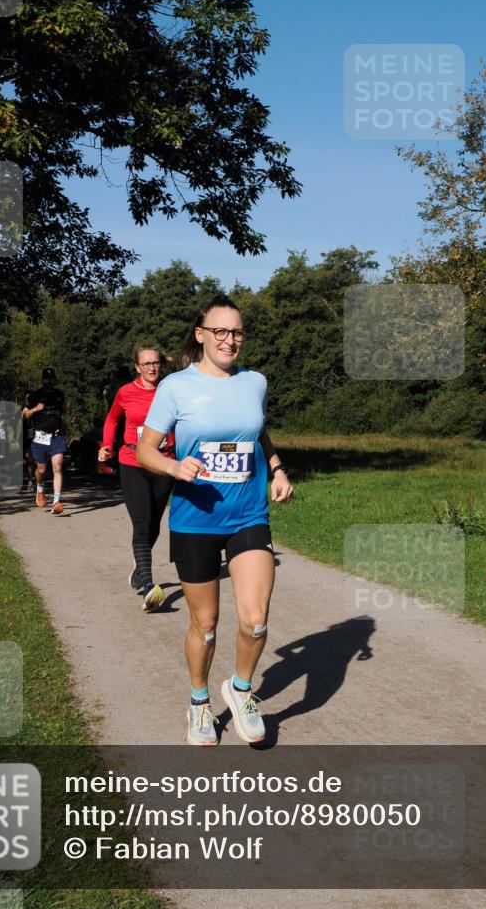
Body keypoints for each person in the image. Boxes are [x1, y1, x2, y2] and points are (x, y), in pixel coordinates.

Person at [137, 296, 294, 746]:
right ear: (201, 334)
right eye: (220, 331)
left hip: (248, 515)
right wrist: (173, 467)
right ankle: (199, 701)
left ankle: (241, 691)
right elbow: (145, 450)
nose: (230, 340)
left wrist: (278, 469)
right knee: (205, 626)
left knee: (255, 620)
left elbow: (257, 432)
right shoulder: (176, 387)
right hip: (196, 519)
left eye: (237, 332)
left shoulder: (255, 382)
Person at [99, 346, 175, 613]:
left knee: (154, 524)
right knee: (141, 523)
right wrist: (106, 445)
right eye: (146, 364)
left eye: (155, 363)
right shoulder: (125, 392)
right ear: (137, 367)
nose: (152, 368)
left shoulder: (171, 390)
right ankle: (149, 583)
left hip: (164, 463)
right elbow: (112, 420)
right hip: (133, 462)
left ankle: (139, 565)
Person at [23, 367, 68, 515]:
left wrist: (65, 408)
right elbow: (24, 415)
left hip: (57, 436)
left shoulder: (59, 394)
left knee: (57, 467)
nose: (49, 381)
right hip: (40, 436)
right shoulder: (35, 395)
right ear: (42, 379)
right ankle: (40, 488)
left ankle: (56, 502)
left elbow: (64, 409)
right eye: (47, 379)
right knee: (41, 469)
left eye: (51, 379)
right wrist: (36, 409)